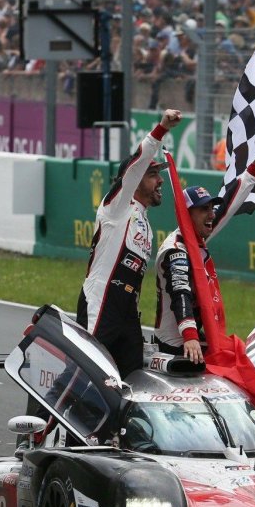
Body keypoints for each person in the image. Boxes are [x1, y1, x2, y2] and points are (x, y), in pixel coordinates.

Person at [77, 108, 181, 375]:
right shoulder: (117, 207)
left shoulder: (144, 222)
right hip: (102, 302)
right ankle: (46, 419)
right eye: (153, 175)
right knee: (84, 373)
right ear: (134, 181)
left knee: (132, 379)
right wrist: (161, 129)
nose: (160, 181)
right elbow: (136, 164)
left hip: (128, 312)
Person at [155, 147, 255, 362]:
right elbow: (181, 292)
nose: (212, 214)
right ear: (186, 215)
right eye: (204, 210)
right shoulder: (175, 250)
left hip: (191, 339)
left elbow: (226, 206)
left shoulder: (195, 237)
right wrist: (190, 337)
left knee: (238, 356)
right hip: (174, 346)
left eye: (211, 207)